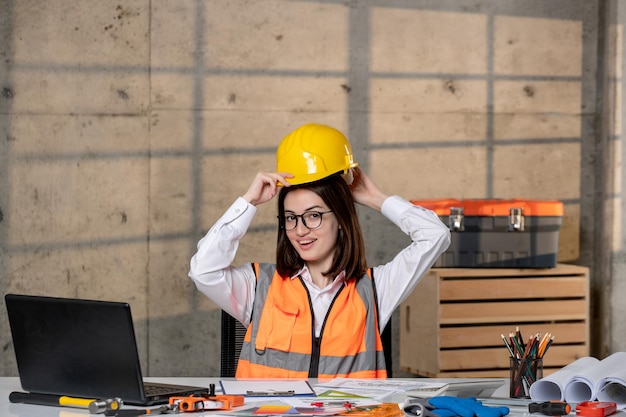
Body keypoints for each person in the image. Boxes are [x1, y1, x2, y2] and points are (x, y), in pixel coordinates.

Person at [189, 123, 451, 379]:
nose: (300, 230)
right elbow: (203, 271)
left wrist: (376, 199)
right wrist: (248, 203)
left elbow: (435, 235)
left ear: (340, 219)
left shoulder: (375, 289)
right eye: (291, 218)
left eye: (313, 216)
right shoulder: (258, 287)